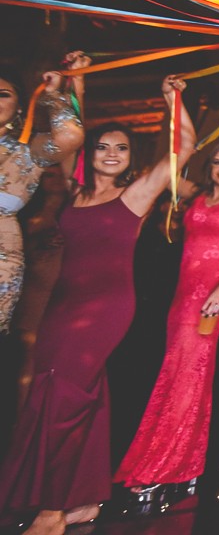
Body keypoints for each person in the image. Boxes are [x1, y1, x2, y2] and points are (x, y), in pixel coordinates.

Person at [0, 76, 195, 535]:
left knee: (65, 397)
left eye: (122, 148)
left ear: (131, 158)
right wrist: (75, 87)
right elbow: (73, 136)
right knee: (60, 395)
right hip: (62, 304)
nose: (112, 153)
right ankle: (83, 501)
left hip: (106, 309)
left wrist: (174, 100)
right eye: (104, 145)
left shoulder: (137, 195)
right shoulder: (75, 190)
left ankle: (52, 509)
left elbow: (183, 145)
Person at [114, 141, 219, 491]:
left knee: (189, 374)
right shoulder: (195, 195)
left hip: (215, 295)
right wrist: (176, 106)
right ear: (209, 167)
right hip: (182, 295)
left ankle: (170, 463)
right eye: (217, 163)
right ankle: (176, 459)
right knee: (173, 370)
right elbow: (168, 163)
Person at [0, 53, 85, 334]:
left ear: (20, 106)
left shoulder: (28, 149)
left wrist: (53, 95)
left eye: (3, 94)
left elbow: (71, 136)